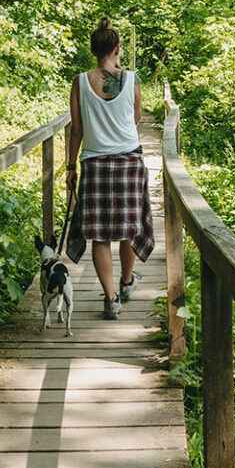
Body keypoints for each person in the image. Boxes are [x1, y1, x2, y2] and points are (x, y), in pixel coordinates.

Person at [66, 17, 155, 320]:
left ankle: (111, 299)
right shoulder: (132, 79)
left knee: (101, 236)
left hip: (94, 164)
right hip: (129, 160)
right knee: (129, 229)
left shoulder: (79, 82)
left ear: (93, 50)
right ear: (117, 49)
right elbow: (135, 117)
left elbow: (76, 130)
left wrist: (70, 166)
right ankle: (127, 282)